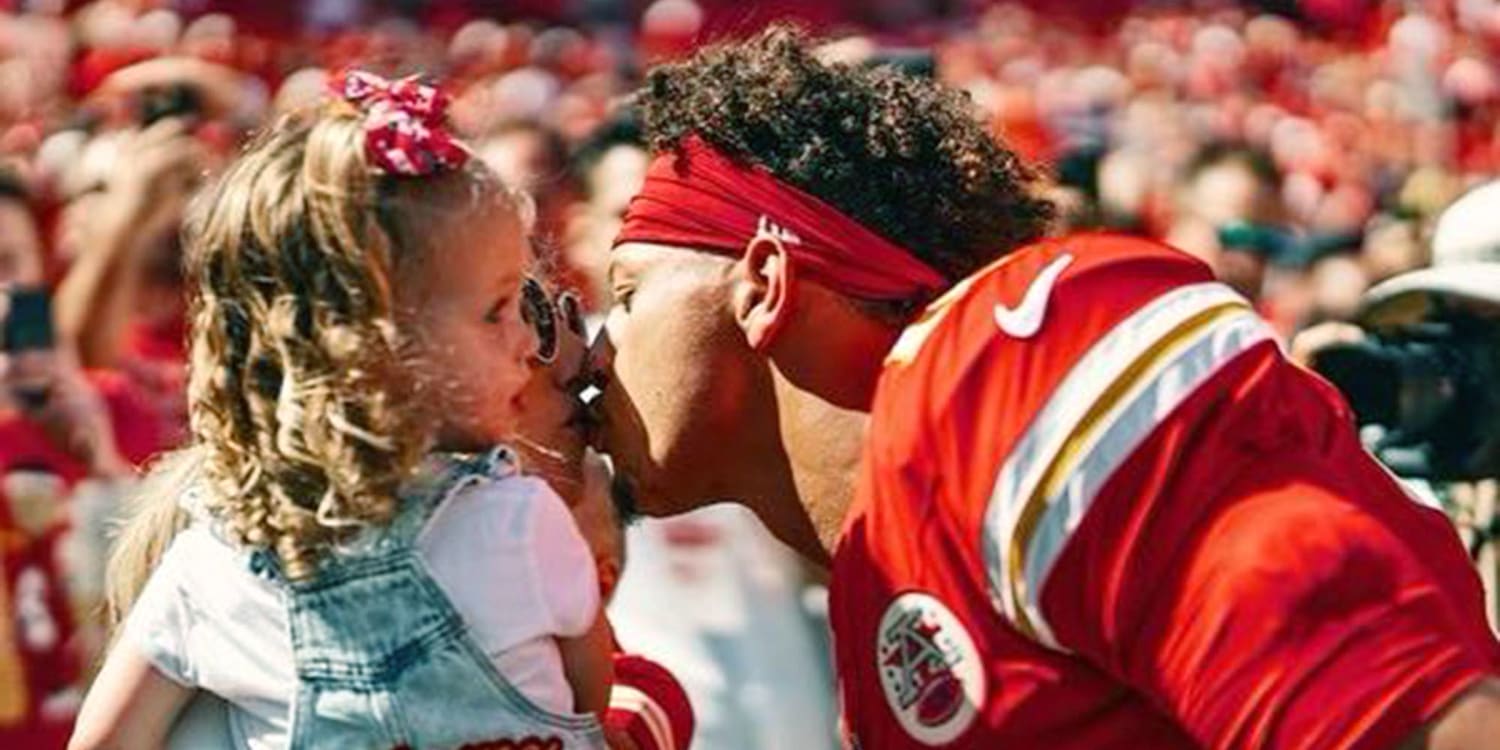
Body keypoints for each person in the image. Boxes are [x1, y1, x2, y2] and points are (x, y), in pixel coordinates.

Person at [585, 27, 1500, 748]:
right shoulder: (881, 564)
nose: (597, 351)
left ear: (764, 284)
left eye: (627, 296)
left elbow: (1407, 721)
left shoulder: (1002, 370)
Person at [71, 71, 612, 750]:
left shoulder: (211, 561)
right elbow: (595, 702)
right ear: (369, 343)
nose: (530, 339)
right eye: (496, 310)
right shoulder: (520, 523)